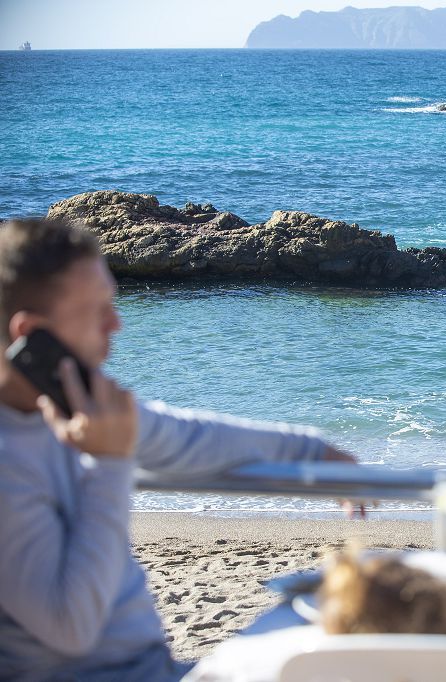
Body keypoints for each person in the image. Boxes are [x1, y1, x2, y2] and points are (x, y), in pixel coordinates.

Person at [0, 218, 357, 681]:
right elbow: (71, 627)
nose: (117, 324)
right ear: (31, 333)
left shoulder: (77, 407)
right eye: (98, 310)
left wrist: (313, 452)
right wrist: (109, 463)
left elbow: (182, 438)